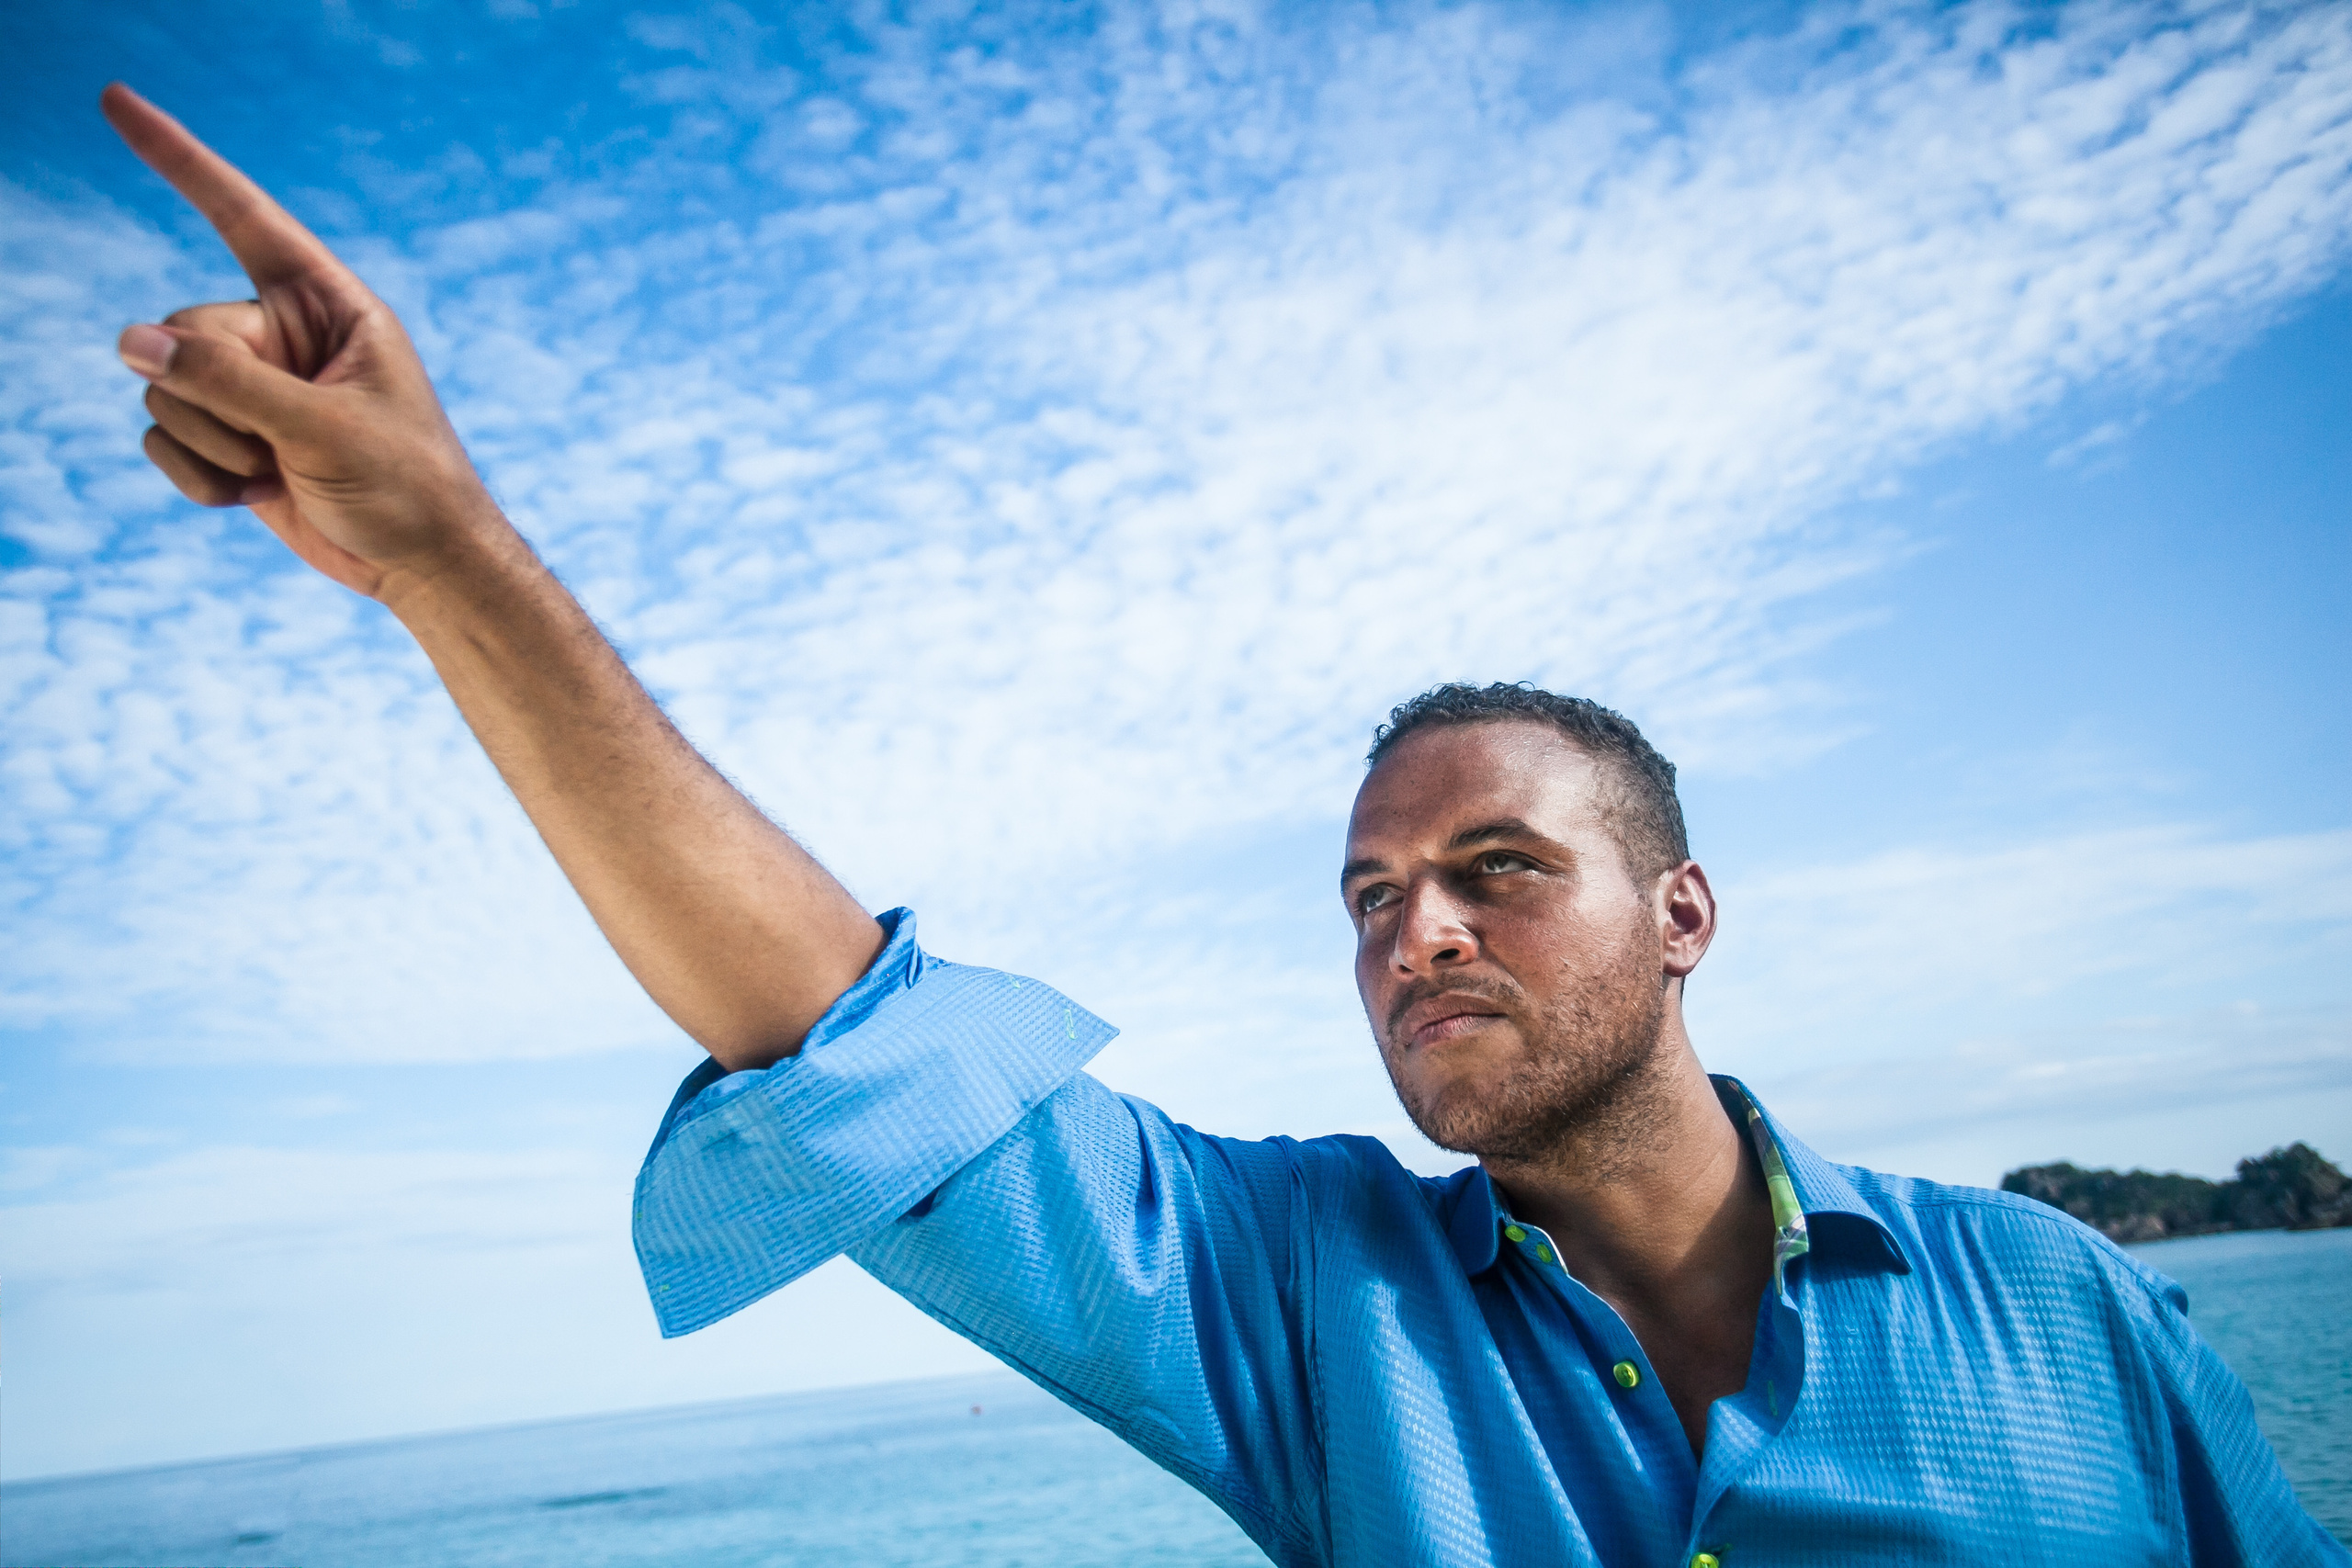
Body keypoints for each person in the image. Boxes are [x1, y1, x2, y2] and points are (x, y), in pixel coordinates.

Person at [100, 83, 2344, 1568]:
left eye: (1494, 869)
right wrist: (444, 560)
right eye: (1369, 894)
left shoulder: (2056, 1306)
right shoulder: (1296, 1296)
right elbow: (848, 1047)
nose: (1415, 936)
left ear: (1682, 912)